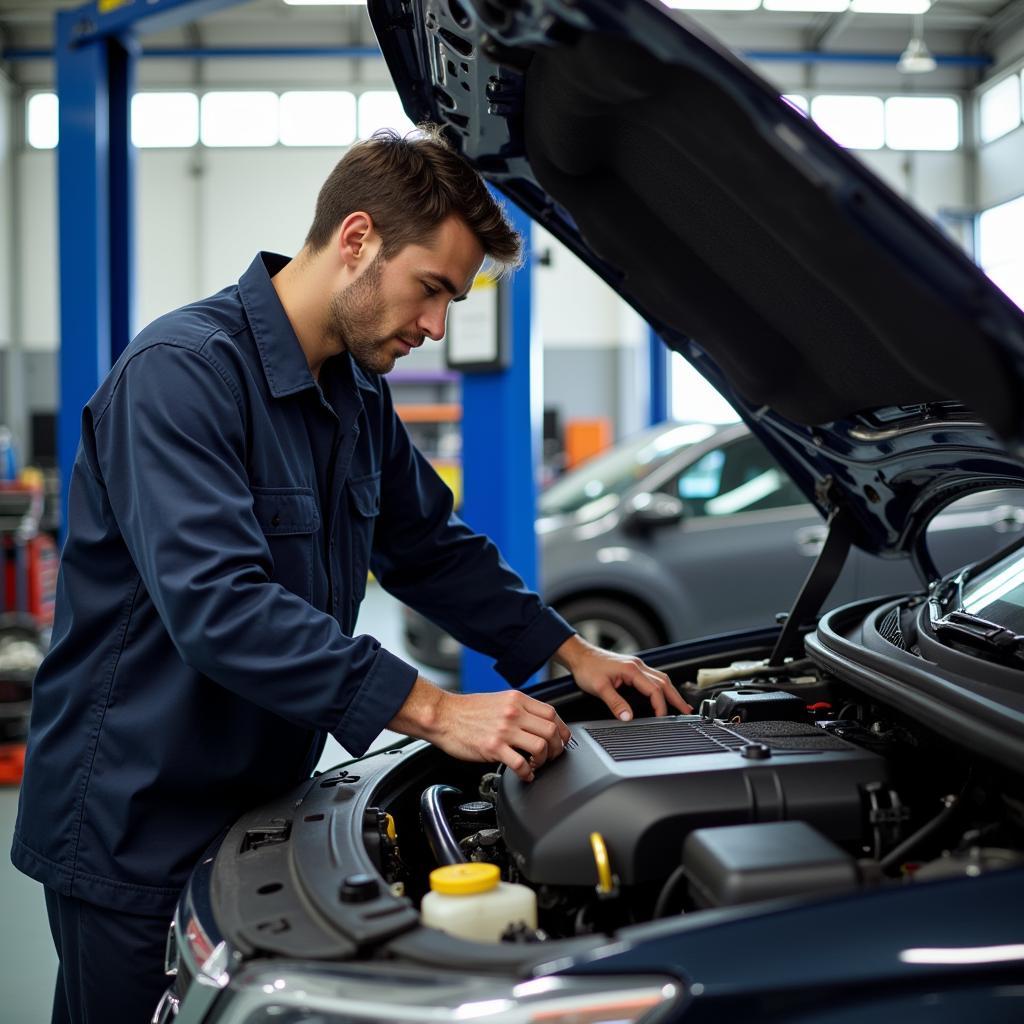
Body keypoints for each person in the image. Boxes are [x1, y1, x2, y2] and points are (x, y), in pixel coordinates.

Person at [13, 125, 691, 1023]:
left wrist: (571, 653)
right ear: (358, 239)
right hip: (136, 825)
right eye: (432, 289)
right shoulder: (180, 377)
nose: (436, 327)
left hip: (250, 807)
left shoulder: (354, 394)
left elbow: (428, 548)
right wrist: (438, 710)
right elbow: (221, 607)